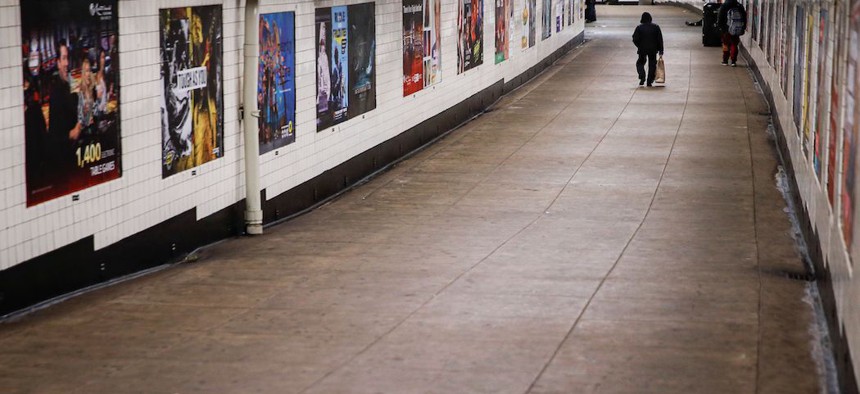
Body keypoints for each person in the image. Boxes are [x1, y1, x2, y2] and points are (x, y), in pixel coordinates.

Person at [632, 12, 664, 87]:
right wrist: (661, 51)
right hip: (653, 49)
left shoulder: (639, 27)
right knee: (652, 64)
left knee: (640, 62)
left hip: (642, 49)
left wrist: (639, 46)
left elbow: (634, 39)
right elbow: (660, 40)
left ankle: (642, 76)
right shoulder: (656, 27)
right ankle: (649, 81)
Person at [718, 0, 746, 66]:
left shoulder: (724, 5)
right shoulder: (739, 6)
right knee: (734, 44)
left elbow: (720, 17)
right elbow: (744, 18)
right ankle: (733, 61)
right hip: (736, 29)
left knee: (726, 44)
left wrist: (721, 27)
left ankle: (725, 60)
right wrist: (743, 27)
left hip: (726, 29)